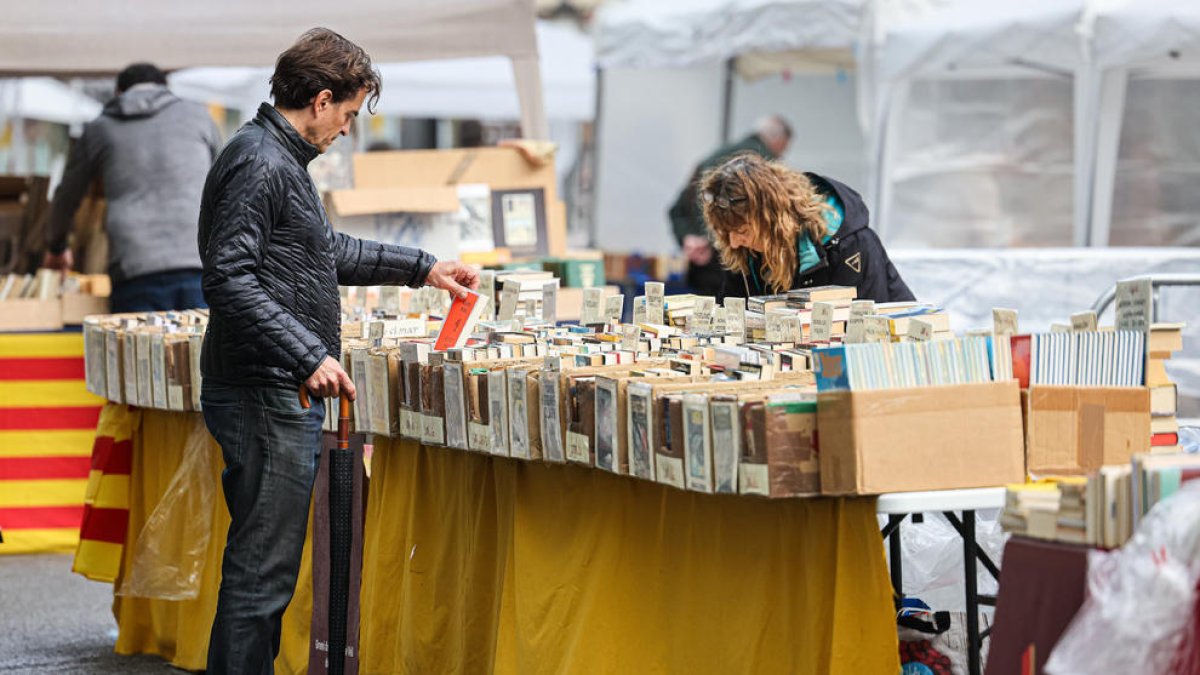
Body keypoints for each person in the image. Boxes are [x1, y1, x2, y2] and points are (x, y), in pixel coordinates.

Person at [197, 28, 479, 672]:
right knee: (261, 577)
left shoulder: (275, 158)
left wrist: (424, 268)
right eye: (348, 113)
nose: (348, 128)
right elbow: (228, 278)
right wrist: (308, 356)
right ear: (321, 100)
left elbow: (324, 251)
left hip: (269, 385)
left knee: (261, 572)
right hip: (266, 390)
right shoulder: (263, 161)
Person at [44, 63, 221, 312]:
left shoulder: (101, 128)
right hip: (198, 259)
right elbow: (226, 186)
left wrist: (57, 247)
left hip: (134, 264)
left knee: (137, 337)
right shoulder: (199, 117)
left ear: (119, 92)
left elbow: (67, 195)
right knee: (200, 337)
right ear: (166, 88)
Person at [700, 153, 914, 303]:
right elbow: (730, 317)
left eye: (742, 231)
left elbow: (869, 334)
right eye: (726, 233)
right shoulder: (746, 251)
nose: (734, 242)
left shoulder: (849, 245)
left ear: (773, 221)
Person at [669, 115, 792, 296]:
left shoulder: (712, 158)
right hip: (735, 267)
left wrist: (689, 238)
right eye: (784, 148)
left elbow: (676, 210)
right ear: (778, 140)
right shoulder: (764, 166)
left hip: (701, 265)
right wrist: (710, 240)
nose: (782, 154)